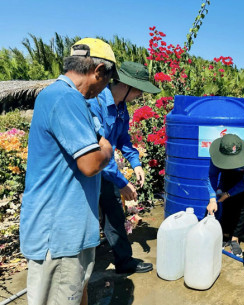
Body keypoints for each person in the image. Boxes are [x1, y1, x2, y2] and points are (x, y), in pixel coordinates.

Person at [20, 38, 116, 305]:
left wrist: (101, 144)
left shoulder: (74, 100)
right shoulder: (65, 97)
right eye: (106, 81)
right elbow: (92, 163)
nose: (104, 89)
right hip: (58, 233)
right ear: (98, 71)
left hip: (71, 231)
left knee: (77, 293)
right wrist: (107, 151)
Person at [87, 61, 160, 274]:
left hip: (105, 172)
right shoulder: (95, 103)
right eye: (139, 90)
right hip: (88, 171)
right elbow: (97, 149)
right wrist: (122, 182)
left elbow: (123, 140)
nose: (140, 95)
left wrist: (135, 163)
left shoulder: (121, 108)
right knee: (88, 218)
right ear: (126, 85)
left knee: (114, 215)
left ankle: (124, 262)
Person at [206, 134, 244, 257]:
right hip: (228, 172)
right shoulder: (217, 154)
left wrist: (229, 193)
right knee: (226, 204)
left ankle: (235, 239)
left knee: (241, 205)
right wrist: (212, 199)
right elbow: (212, 176)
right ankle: (225, 235)